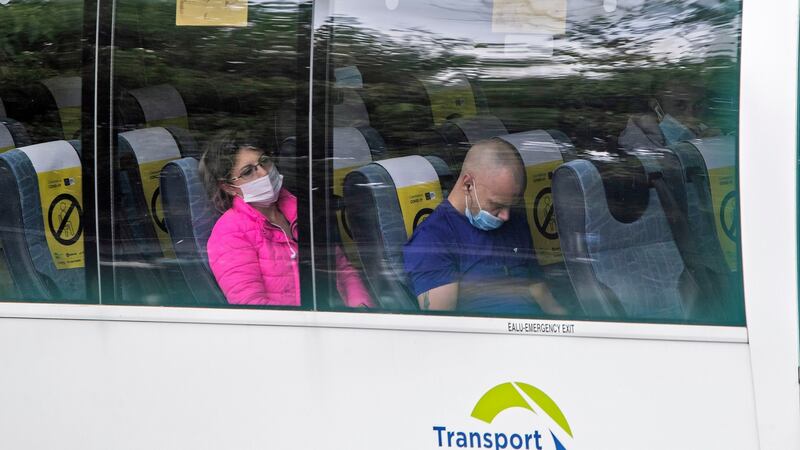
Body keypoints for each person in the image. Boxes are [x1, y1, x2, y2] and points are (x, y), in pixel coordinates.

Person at [200, 130, 373, 307]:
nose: (263, 173)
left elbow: (341, 267)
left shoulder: (302, 208)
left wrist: (361, 308)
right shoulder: (229, 234)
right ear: (229, 187)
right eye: (248, 171)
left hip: (336, 318)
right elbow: (251, 306)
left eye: (264, 161)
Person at [403, 138, 566, 315]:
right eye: (497, 205)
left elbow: (541, 294)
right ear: (467, 185)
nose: (506, 216)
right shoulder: (432, 240)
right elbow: (443, 328)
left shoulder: (514, 222)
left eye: (511, 205)